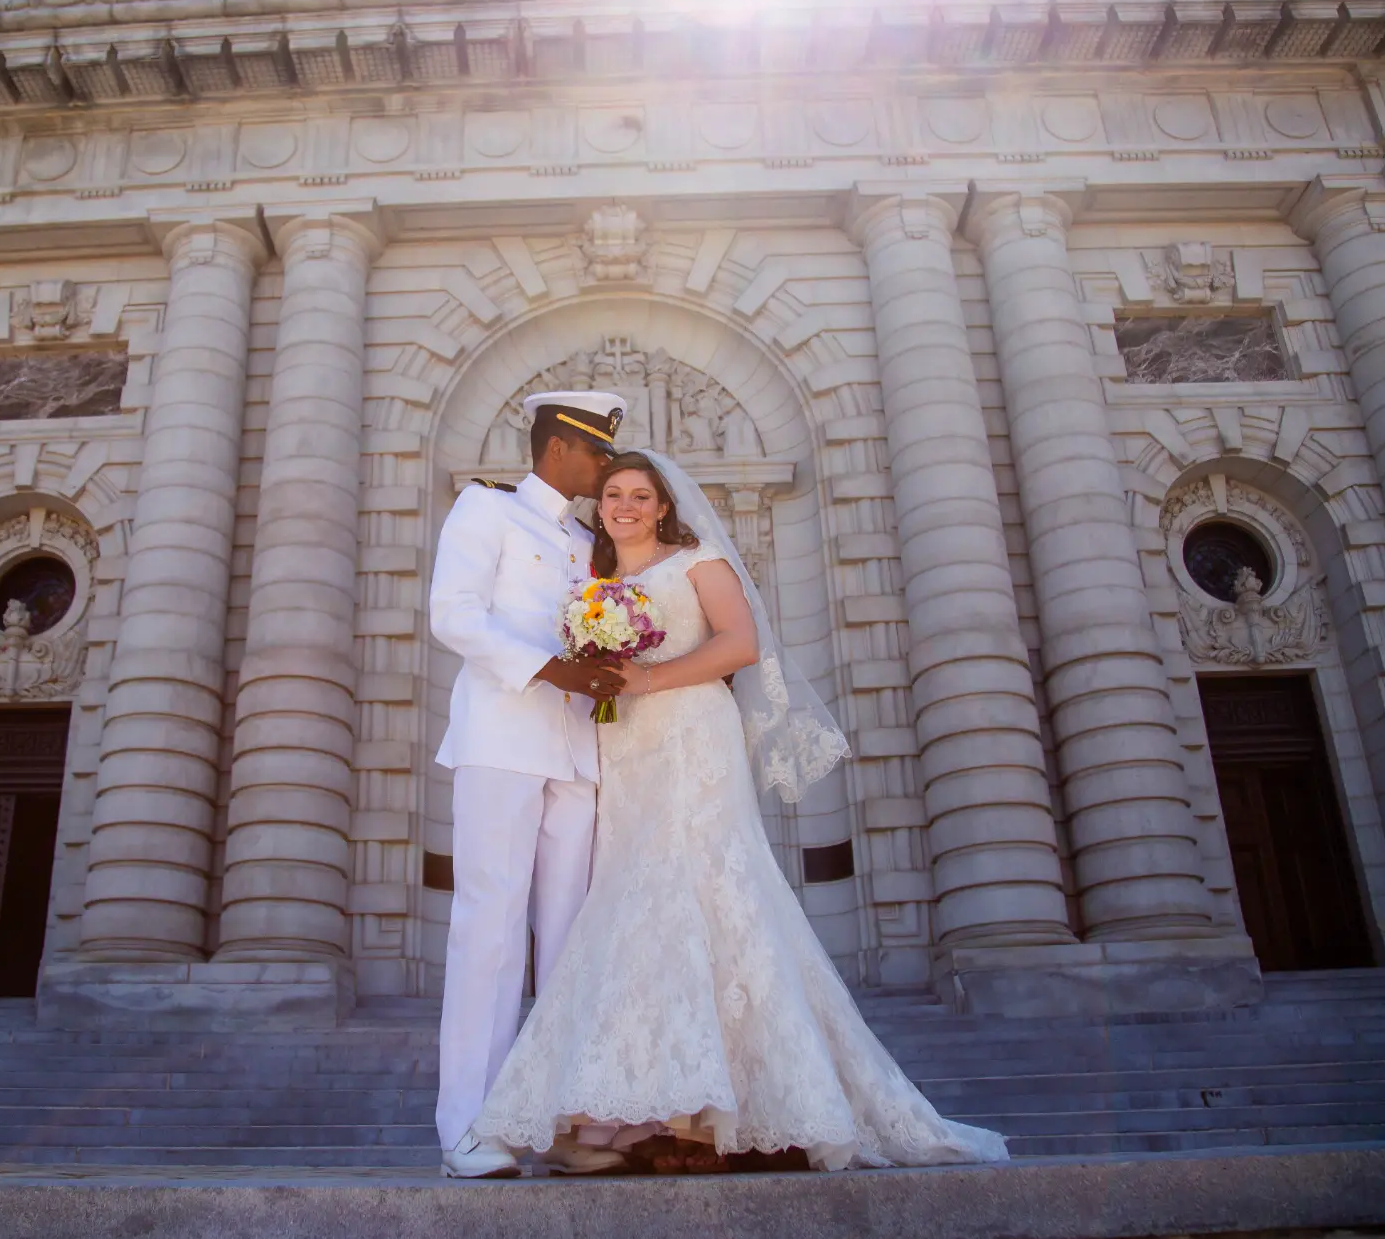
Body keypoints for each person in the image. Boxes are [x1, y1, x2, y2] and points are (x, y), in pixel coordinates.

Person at [471, 451, 1010, 1172]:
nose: (625, 505)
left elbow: (741, 643)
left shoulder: (697, 559)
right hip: (627, 745)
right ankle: (647, 1107)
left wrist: (650, 676)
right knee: (641, 903)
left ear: (664, 506)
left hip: (692, 733)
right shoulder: (598, 585)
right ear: (597, 506)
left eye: (640, 495)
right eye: (613, 495)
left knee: (697, 888)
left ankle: (688, 1108)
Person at [428, 390, 636, 1180]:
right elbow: (454, 615)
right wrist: (555, 668)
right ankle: (470, 1127)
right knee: (490, 927)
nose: (605, 467)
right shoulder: (486, 512)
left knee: (570, 939)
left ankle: (557, 1117)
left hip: (575, 749)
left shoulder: (587, 540)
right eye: (597, 453)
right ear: (558, 448)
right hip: (502, 738)